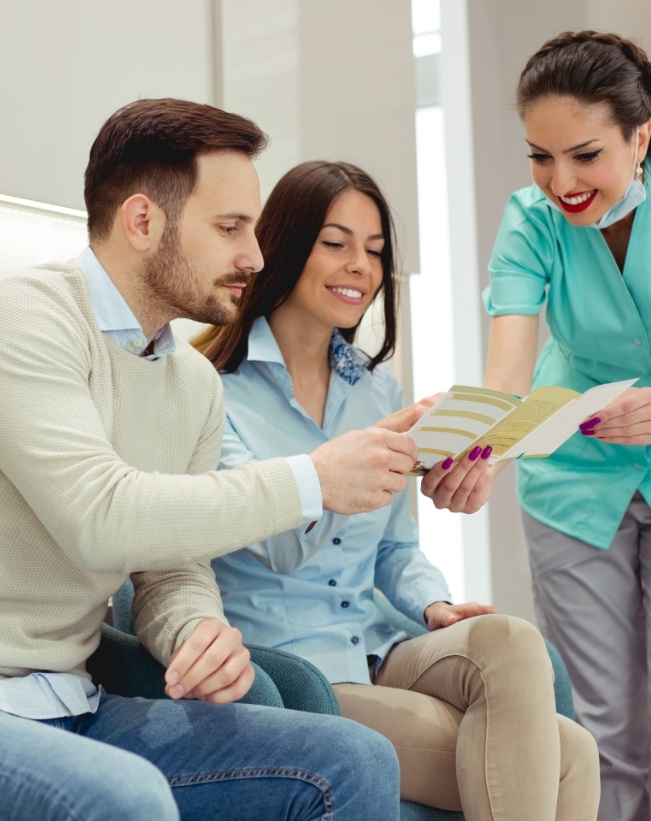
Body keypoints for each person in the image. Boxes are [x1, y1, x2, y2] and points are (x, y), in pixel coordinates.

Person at [0, 96, 453, 820]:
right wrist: (313, 479)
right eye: (230, 227)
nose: (257, 255)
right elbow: (100, 515)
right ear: (144, 221)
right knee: (129, 796)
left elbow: (170, 565)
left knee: (352, 757)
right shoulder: (27, 318)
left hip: (75, 700)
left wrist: (194, 630)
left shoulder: (191, 383)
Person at [194, 159, 601, 821]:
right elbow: (278, 548)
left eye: (375, 250)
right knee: (567, 755)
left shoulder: (375, 388)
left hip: (379, 641)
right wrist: (352, 460)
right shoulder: (211, 389)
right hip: (294, 668)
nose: (360, 264)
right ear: (285, 244)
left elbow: (395, 550)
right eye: (336, 243)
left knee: (513, 643)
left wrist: (432, 603)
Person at [483, 30, 651, 821]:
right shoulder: (528, 222)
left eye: (584, 155)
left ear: (640, 133)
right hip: (572, 480)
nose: (560, 182)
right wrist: (476, 452)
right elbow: (504, 383)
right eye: (539, 157)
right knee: (599, 732)